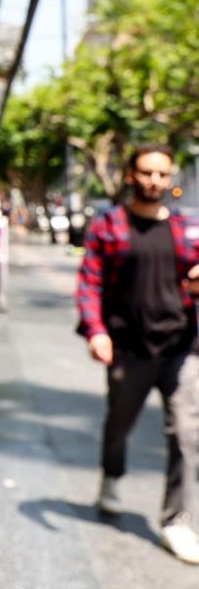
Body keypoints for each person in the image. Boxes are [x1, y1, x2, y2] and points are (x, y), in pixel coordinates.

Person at [76, 143, 199, 563]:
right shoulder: (109, 227)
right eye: (147, 173)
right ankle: (111, 475)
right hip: (128, 347)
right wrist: (96, 332)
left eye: (163, 174)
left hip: (182, 345)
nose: (155, 181)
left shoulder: (186, 229)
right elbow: (90, 283)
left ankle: (176, 520)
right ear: (130, 175)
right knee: (119, 423)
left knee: (185, 432)